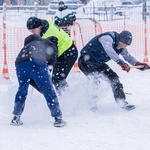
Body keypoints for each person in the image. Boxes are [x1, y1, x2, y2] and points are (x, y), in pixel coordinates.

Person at [78, 30, 149, 111]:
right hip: (85, 61)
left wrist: (138, 64)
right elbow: (109, 51)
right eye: (123, 44)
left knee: (114, 78)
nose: (123, 47)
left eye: (126, 45)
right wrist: (120, 62)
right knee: (94, 79)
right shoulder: (107, 38)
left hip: (99, 63)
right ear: (119, 39)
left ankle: (121, 101)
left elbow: (128, 57)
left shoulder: (121, 47)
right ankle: (91, 104)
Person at [10, 34, 66, 127]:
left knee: (22, 90)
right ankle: (58, 118)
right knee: (49, 90)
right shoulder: (43, 41)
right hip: (37, 61)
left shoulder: (25, 48)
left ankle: (16, 117)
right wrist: (50, 67)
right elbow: (52, 51)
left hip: (20, 64)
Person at [26, 16, 78, 94]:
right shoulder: (44, 22)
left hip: (68, 53)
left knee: (58, 79)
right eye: (30, 31)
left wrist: (45, 71)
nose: (32, 33)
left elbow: (52, 57)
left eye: (33, 30)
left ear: (39, 27)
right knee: (56, 79)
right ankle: (64, 97)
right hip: (62, 52)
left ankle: (68, 98)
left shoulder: (50, 37)